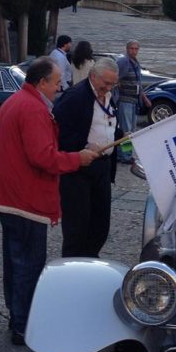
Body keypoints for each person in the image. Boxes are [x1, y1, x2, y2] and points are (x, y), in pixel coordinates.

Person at [0, 57, 97, 345]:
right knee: (28, 265)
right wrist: (77, 159)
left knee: (15, 260)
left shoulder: (18, 101)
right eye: (56, 82)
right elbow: (43, 157)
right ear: (42, 82)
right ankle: (24, 325)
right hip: (23, 200)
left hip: (9, 196)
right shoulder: (32, 109)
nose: (59, 88)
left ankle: (17, 318)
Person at [53, 57, 119, 258]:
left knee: (100, 224)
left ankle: (90, 260)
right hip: (79, 170)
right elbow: (59, 134)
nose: (108, 88)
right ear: (93, 76)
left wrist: (120, 135)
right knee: (77, 227)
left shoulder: (106, 95)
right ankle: (73, 267)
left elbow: (106, 123)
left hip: (102, 168)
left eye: (112, 84)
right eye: (105, 83)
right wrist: (82, 148)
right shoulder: (76, 96)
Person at [115, 40, 152, 162]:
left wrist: (144, 97)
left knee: (131, 130)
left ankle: (126, 154)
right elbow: (114, 77)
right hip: (125, 100)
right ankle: (125, 156)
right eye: (132, 48)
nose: (134, 51)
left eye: (136, 49)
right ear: (127, 49)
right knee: (126, 130)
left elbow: (138, 83)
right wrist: (118, 86)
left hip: (134, 101)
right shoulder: (123, 61)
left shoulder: (135, 62)